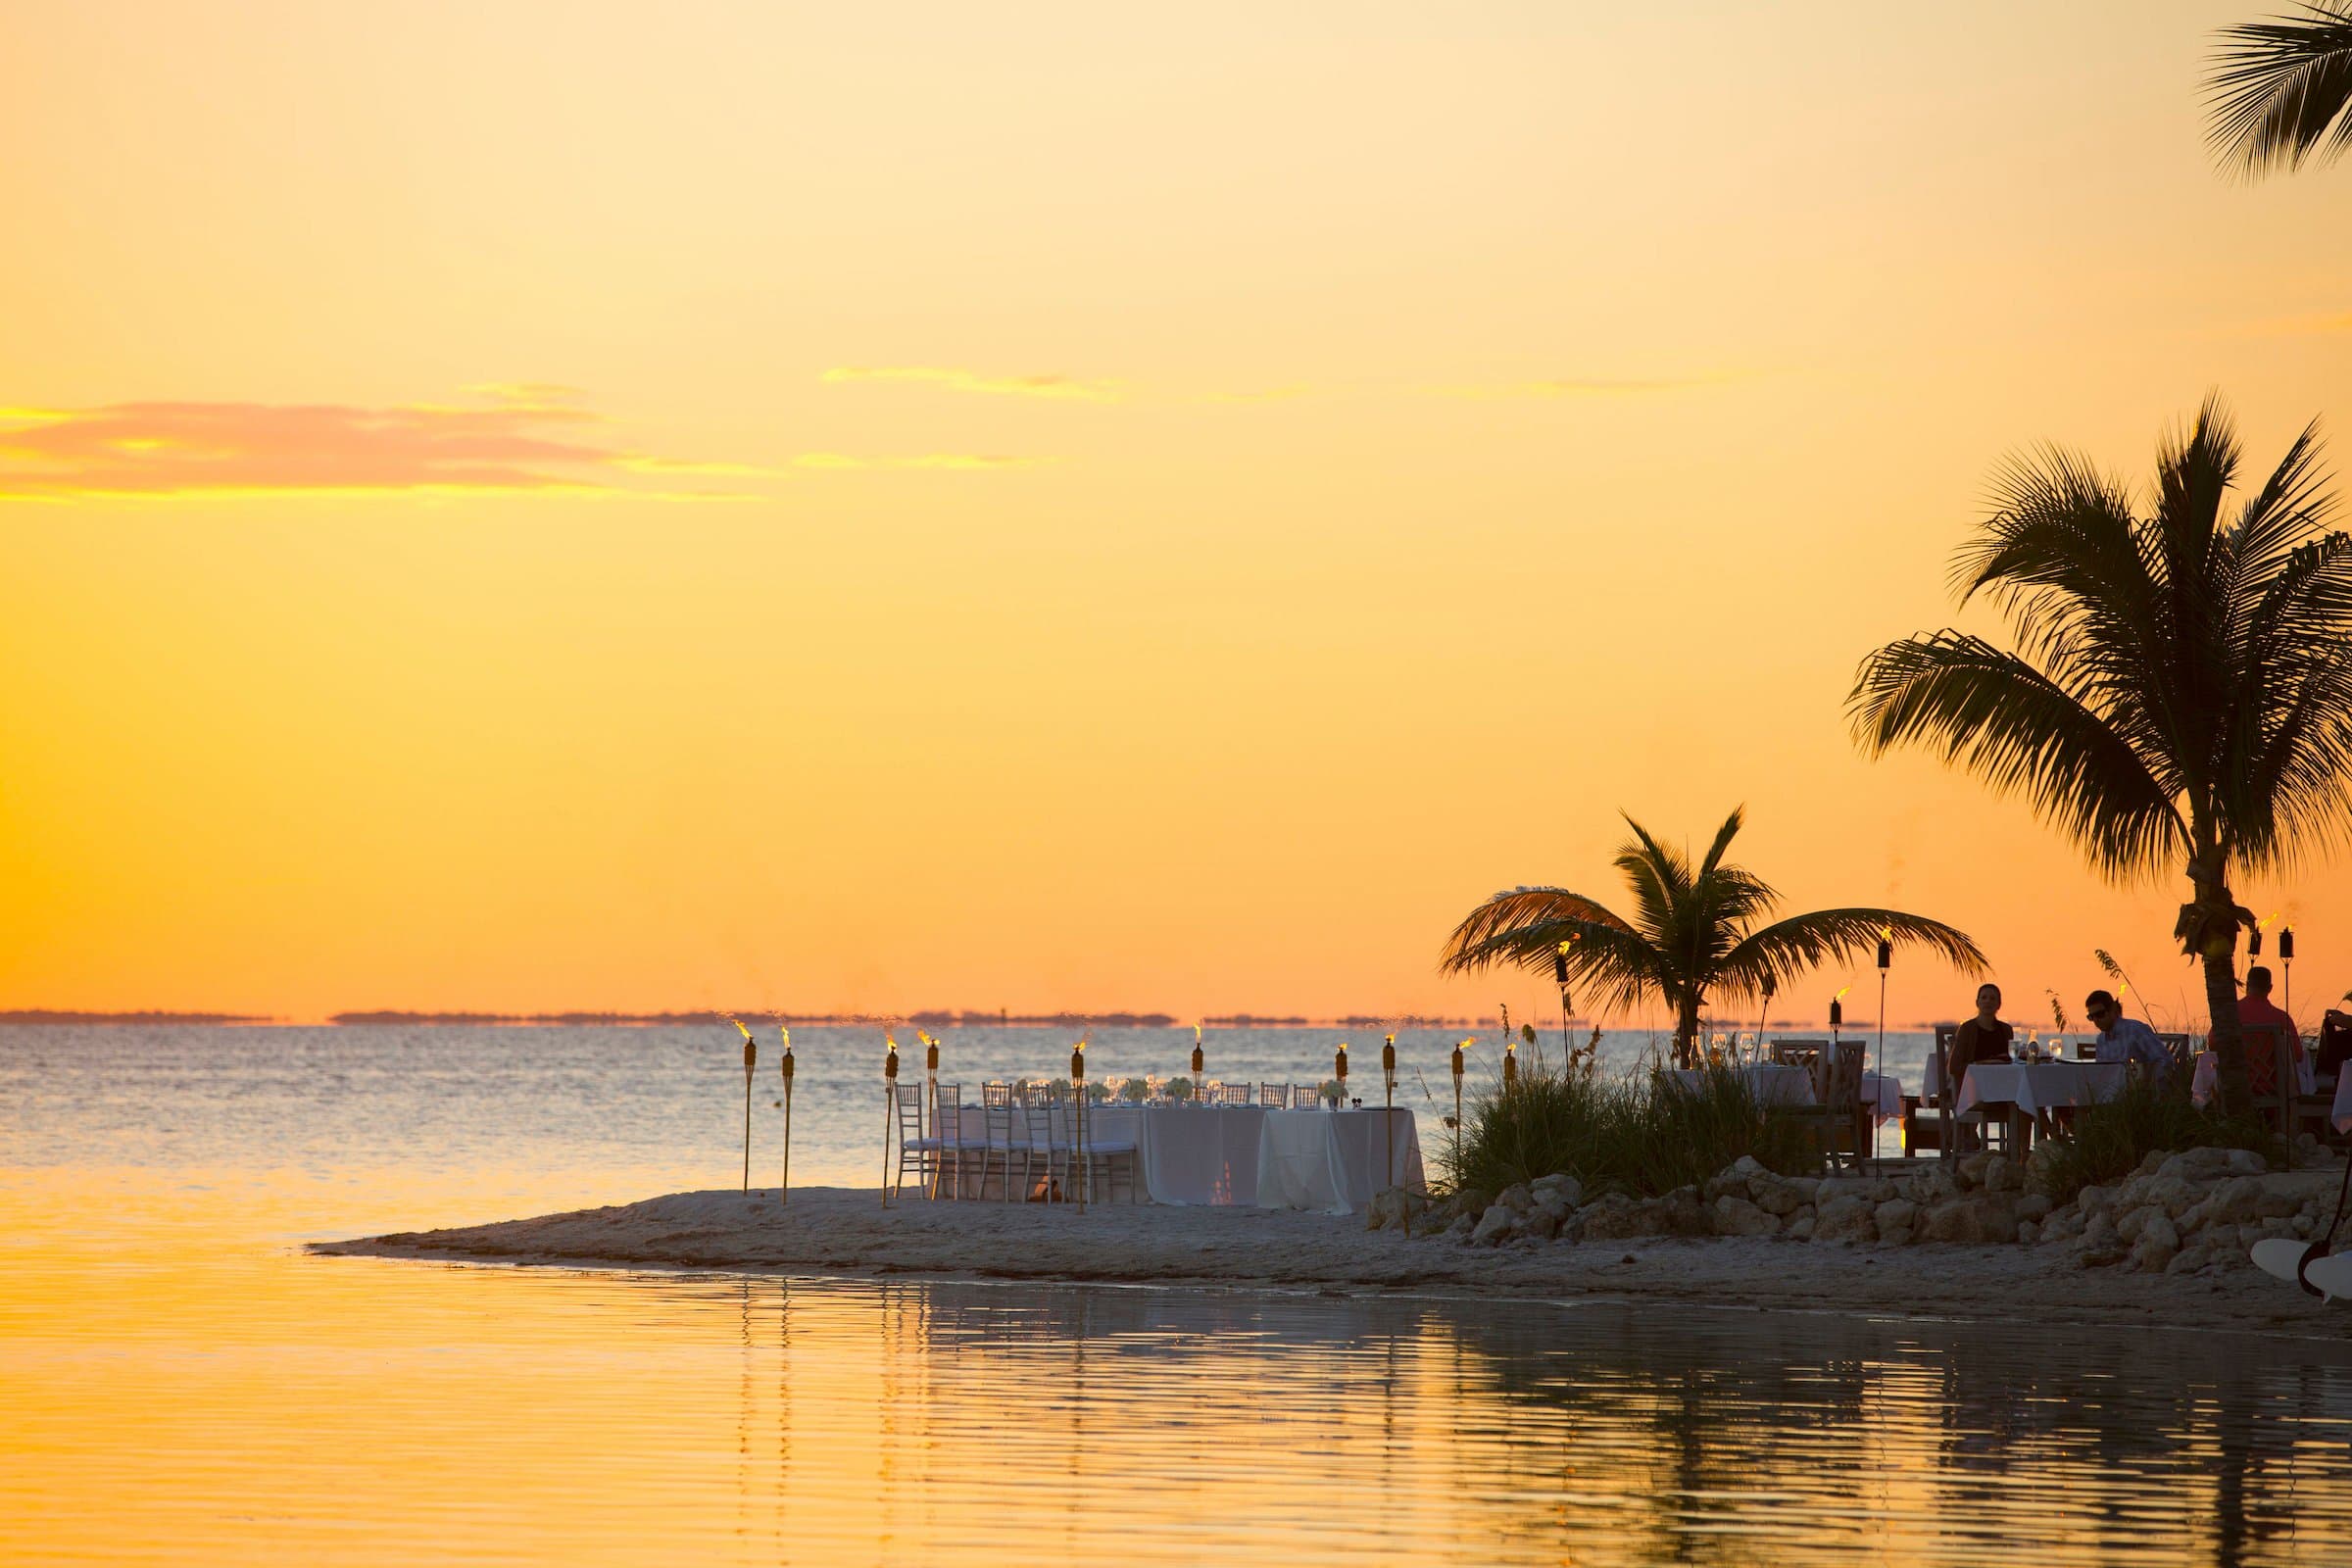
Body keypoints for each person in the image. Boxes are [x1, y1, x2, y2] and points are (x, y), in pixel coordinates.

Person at [1943, 983, 2014, 1152]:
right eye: (1984, 997)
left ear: (1999, 1004)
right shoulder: (1967, 1029)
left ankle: (2020, 1154)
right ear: (1977, 1002)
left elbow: (2012, 1060)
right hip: (1972, 1091)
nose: (1988, 1001)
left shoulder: (2006, 1030)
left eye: (1992, 998)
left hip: (2001, 1090)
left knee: (2026, 1103)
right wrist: (1981, 1065)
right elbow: (1953, 1067)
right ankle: (1964, 1144)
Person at [2237, 965, 2304, 1095]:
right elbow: (2297, 1055)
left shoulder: (2229, 1014)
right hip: (2272, 1087)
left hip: (2235, 1086)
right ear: (2270, 988)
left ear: (2247, 985)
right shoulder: (2281, 1018)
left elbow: (2213, 1045)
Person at [2086, 990, 2169, 1079]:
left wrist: (2150, 1086)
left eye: (2100, 1014)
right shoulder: (2101, 1040)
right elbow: (2101, 1073)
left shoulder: (2136, 1030)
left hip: (2139, 1089)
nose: (2096, 1020)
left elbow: (2164, 1060)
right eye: (2091, 1017)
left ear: (2112, 1009)